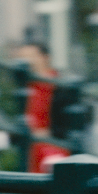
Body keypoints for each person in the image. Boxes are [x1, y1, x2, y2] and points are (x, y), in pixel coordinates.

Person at [15, 41, 69, 174]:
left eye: (32, 56)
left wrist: (49, 132)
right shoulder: (24, 89)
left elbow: (70, 124)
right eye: (22, 58)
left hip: (55, 151)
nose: (27, 61)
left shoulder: (61, 87)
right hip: (32, 153)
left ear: (45, 57)